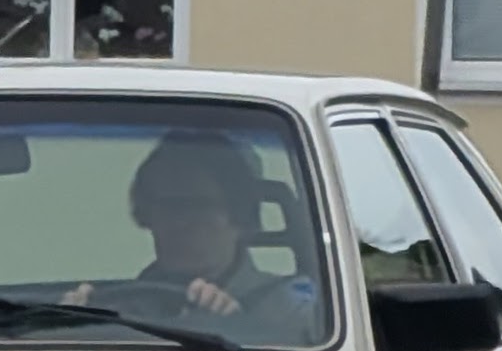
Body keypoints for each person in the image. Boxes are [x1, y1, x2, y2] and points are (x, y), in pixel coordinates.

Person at [63, 130, 314, 330]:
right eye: (166, 207)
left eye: (196, 207)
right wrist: (73, 324)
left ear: (240, 217)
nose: (179, 223)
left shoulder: (292, 308)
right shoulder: (123, 307)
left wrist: (241, 328)